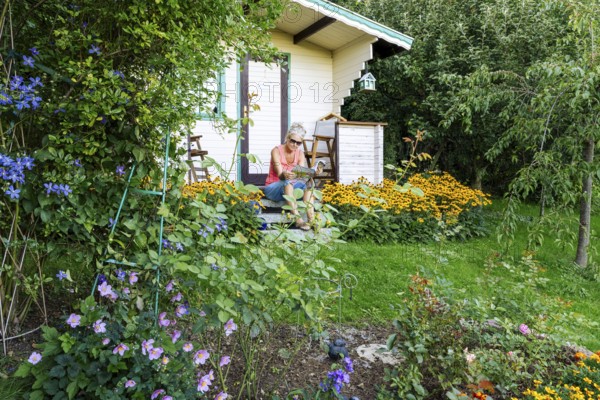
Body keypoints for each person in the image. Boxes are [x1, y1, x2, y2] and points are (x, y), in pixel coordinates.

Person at [264, 122, 322, 231]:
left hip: (290, 191)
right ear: (287, 138)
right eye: (292, 141)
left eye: (298, 143)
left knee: (308, 181)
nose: (295, 145)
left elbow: (302, 175)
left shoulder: (300, 153)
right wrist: (284, 174)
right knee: (287, 180)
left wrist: (313, 173)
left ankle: (312, 219)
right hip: (273, 189)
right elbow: (280, 174)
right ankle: (298, 219)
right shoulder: (276, 151)